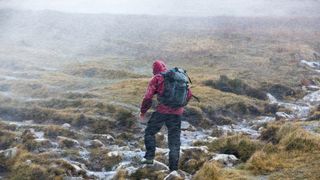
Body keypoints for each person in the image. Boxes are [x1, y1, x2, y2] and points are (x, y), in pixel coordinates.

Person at [139, 60, 192, 171]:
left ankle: (149, 157)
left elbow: (148, 97)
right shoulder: (178, 77)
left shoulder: (157, 78)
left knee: (149, 132)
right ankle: (173, 170)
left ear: (154, 69)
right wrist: (179, 106)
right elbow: (189, 94)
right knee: (174, 140)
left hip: (162, 112)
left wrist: (143, 111)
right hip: (177, 114)